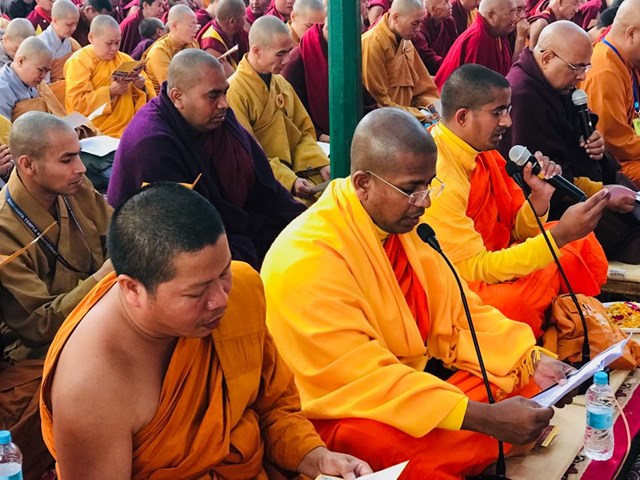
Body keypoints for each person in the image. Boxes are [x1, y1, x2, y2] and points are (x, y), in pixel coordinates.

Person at [262, 107, 575, 478]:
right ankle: (488, 440)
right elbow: (364, 378)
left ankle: (491, 435)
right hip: (342, 409)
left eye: (429, 185)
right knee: (401, 451)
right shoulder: (307, 259)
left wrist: (532, 358)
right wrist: (483, 418)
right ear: (363, 183)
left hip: (406, 384)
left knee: (520, 381)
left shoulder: (398, 227)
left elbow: (460, 315)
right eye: (411, 189)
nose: (425, 201)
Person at [40, 182, 373, 479]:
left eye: (223, 272)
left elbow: (272, 408)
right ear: (132, 289)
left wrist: (314, 457)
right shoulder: (90, 386)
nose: (220, 300)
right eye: (196, 292)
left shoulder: (241, 291)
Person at [423, 64, 608, 338]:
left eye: (508, 110)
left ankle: (558, 317)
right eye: (497, 112)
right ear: (463, 117)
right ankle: (547, 324)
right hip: (461, 280)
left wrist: (539, 198)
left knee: (581, 243)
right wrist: (557, 238)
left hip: (495, 259)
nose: (508, 122)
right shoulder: (440, 175)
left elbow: (517, 230)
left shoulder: (482, 151)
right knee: (514, 305)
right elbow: (474, 268)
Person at [107, 49, 305, 268]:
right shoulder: (151, 144)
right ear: (177, 97)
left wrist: (304, 222)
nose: (224, 104)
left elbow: (266, 186)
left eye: (224, 93)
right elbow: (179, 237)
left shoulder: (217, 117)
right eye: (213, 96)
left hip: (242, 229)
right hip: (187, 254)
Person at [0, 112, 112, 478]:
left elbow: (115, 232)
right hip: (38, 350)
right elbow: (39, 325)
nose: (81, 168)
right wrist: (104, 276)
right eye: (67, 159)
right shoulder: (4, 228)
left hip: (101, 314)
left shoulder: (74, 188)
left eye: (78, 154)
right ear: (28, 165)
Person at [505, 21, 640, 263]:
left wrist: (595, 143)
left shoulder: (555, 86)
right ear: (547, 58)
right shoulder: (524, 97)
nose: (582, 77)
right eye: (576, 68)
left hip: (590, 185)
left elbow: (574, 140)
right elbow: (547, 178)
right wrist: (602, 192)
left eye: (585, 67)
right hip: (562, 203)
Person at [227, 16, 330, 204]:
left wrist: (318, 163)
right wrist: (289, 180)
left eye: (289, 52)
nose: (287, 60)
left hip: (301, 166)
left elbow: (303, 131)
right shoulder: (234, 91)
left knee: (337, 190)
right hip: (266, 179)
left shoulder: (281, 83)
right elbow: (250, 153)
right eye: (280, 54)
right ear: (257, 51)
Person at [65, 15, 155, 138]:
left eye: (117, 43)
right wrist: (110, 92)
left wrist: (141, 86)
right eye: (109, 43)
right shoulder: (79, 62)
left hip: (131, 125)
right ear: (91, 38)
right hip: (97, 129)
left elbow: (148, 96)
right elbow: (77, 104)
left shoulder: (125, 59)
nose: (114, 48)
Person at [581, 0, 640, 187]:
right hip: (617, 165)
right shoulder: (605, 71)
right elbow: (616, 144)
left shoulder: (625, 60)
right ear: (631, 34)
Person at [361, 0, 440, 124]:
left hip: (408, 117)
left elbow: (423, 87)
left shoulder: (406, 42)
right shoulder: (373, 43)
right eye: (415, 23)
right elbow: (379, 103)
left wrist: (437, 110)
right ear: (395, 17)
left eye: (420, 23)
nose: (418, 29)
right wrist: (419, 115)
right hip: (385, 123)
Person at [435, 0, 517, 89]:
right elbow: (475, 88)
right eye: (510, 13)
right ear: (491, 15)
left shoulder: (498, 33)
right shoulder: (478, 39)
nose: (515, 18)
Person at [143, 5, 198, 93]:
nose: (195, 30)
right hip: (167, 98)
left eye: (196, 25)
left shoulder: (192, 43)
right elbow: (172, 87)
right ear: (174, 26)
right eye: (191, 25)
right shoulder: (159, 51)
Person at [0, 36, 52, 121]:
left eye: (47, 71)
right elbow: (3, 128)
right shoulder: (2, 90)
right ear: (20, 61)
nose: (44, 76)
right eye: (40, 70)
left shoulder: (35, 83)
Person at [198, 0, 248, 77]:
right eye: (244, 14)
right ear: (232, 21)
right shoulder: (211, 44)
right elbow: (233, 78)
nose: (246, 17)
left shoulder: (238, 32)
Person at [39, 0, 81, 85]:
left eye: (76, 24)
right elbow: (44, 84)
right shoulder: (41, 44)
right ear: (55, 20)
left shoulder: (71, 42)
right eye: (69, 24)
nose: (74, 29)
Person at [412, 0, 458, 75]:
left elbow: (455, 46)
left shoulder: (449, 21)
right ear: (434, 9)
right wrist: (451, 65)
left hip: (448, 65)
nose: (450, 5)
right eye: (446, 2)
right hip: (429, 74)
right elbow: (427, 57)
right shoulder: (420, 28)